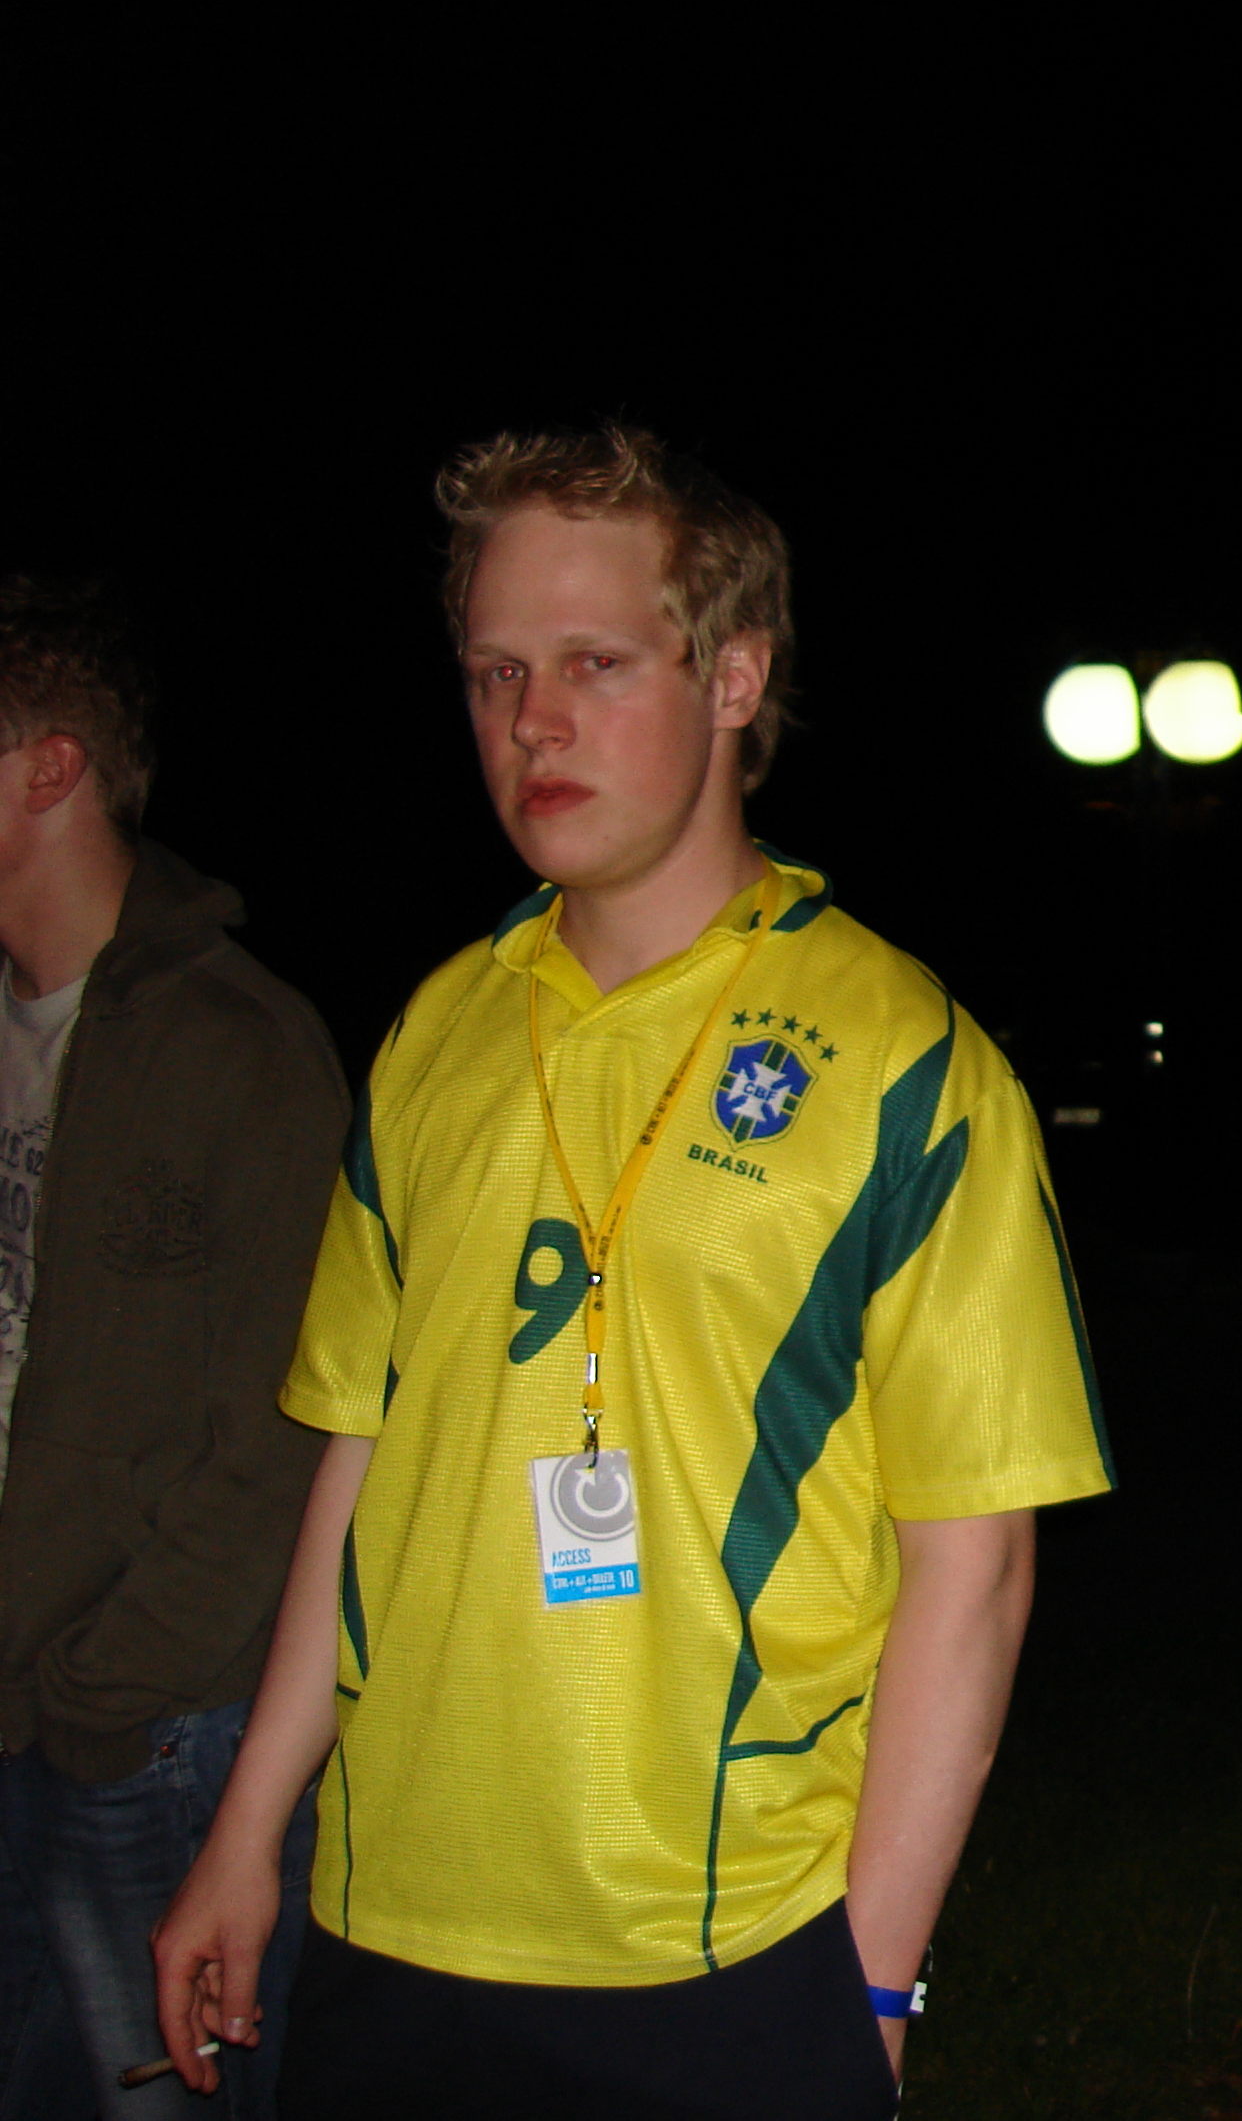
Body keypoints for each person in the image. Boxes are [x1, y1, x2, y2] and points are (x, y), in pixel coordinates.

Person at [150, 428, 1116, 2118]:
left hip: (721, 1949)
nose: (533, 722)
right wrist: (248, 1835)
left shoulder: (909, 1065)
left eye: (595, 664)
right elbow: (360, 1459)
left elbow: (974, 1571)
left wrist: (869, 1986)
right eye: (496, 671)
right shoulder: (434, 1033)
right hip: (385, 1922)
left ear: (735, 675)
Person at [0, 578, 338, 2119]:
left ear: (51, 767)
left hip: (148, 1737)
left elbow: (288, 1436)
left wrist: (106, 1683)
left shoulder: (239, 1047)